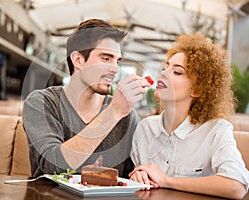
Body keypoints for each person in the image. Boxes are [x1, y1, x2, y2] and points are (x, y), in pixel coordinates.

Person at [22, 19, 151, 178]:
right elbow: (53, 166)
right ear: (78, 60)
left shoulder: (128, 115)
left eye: (117, 61)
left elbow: (135, 173)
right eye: (106, 58)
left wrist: (140, 174)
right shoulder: (41, 103)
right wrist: (114, 112)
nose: (115, 69)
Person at [129, 32, 249, 199]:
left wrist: (167, 180)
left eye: (177, 72)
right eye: (166, 67)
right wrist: (137, 178)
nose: (163, 73)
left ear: (198, 90)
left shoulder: (216, 130)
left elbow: (236, 186)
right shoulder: (144, 128)